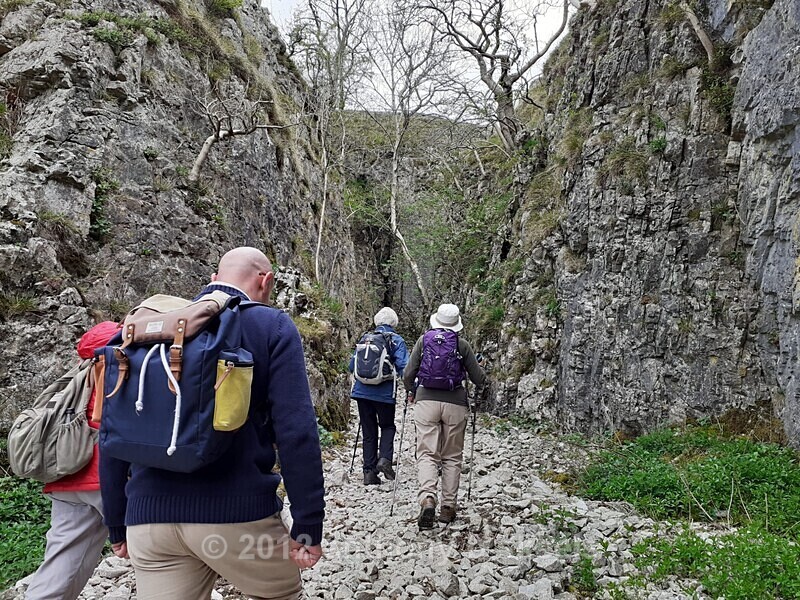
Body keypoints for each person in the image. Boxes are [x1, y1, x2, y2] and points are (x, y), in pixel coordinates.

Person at [100, 247, 325, 600]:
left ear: (213, 281)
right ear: (266, 281)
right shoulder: (270, 326)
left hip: (149, 522)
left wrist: (116, 521)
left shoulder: (153, 331)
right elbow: (296, 431)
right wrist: (308, 523)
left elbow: (115, 430)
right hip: (237, 519)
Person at [25, 321, 120, 600]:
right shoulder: (124, 370)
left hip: (67, 479)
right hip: (108, 479)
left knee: (62, 559)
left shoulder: (79, 377)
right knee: (157, 555)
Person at [403, 303, 486, 529]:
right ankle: (448, 507)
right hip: (455, 403)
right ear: (456, 324)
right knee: (451, 456)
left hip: (426, 402)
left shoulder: (423, 341)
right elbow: (479, 378)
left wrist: (411, 391)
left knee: (427, 453)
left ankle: (428, 497)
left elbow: (408, 373)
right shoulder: (462, 345)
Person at [348, 307, 409, 485]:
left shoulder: (365, 339)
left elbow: (352, 366)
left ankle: (369, 473)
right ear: (394, 323)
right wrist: (411, 388)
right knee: (387, 426)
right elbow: (404, 368)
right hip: (384, 394)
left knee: (368, 432)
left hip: (361, 392)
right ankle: (385, 459)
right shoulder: (396, 340)